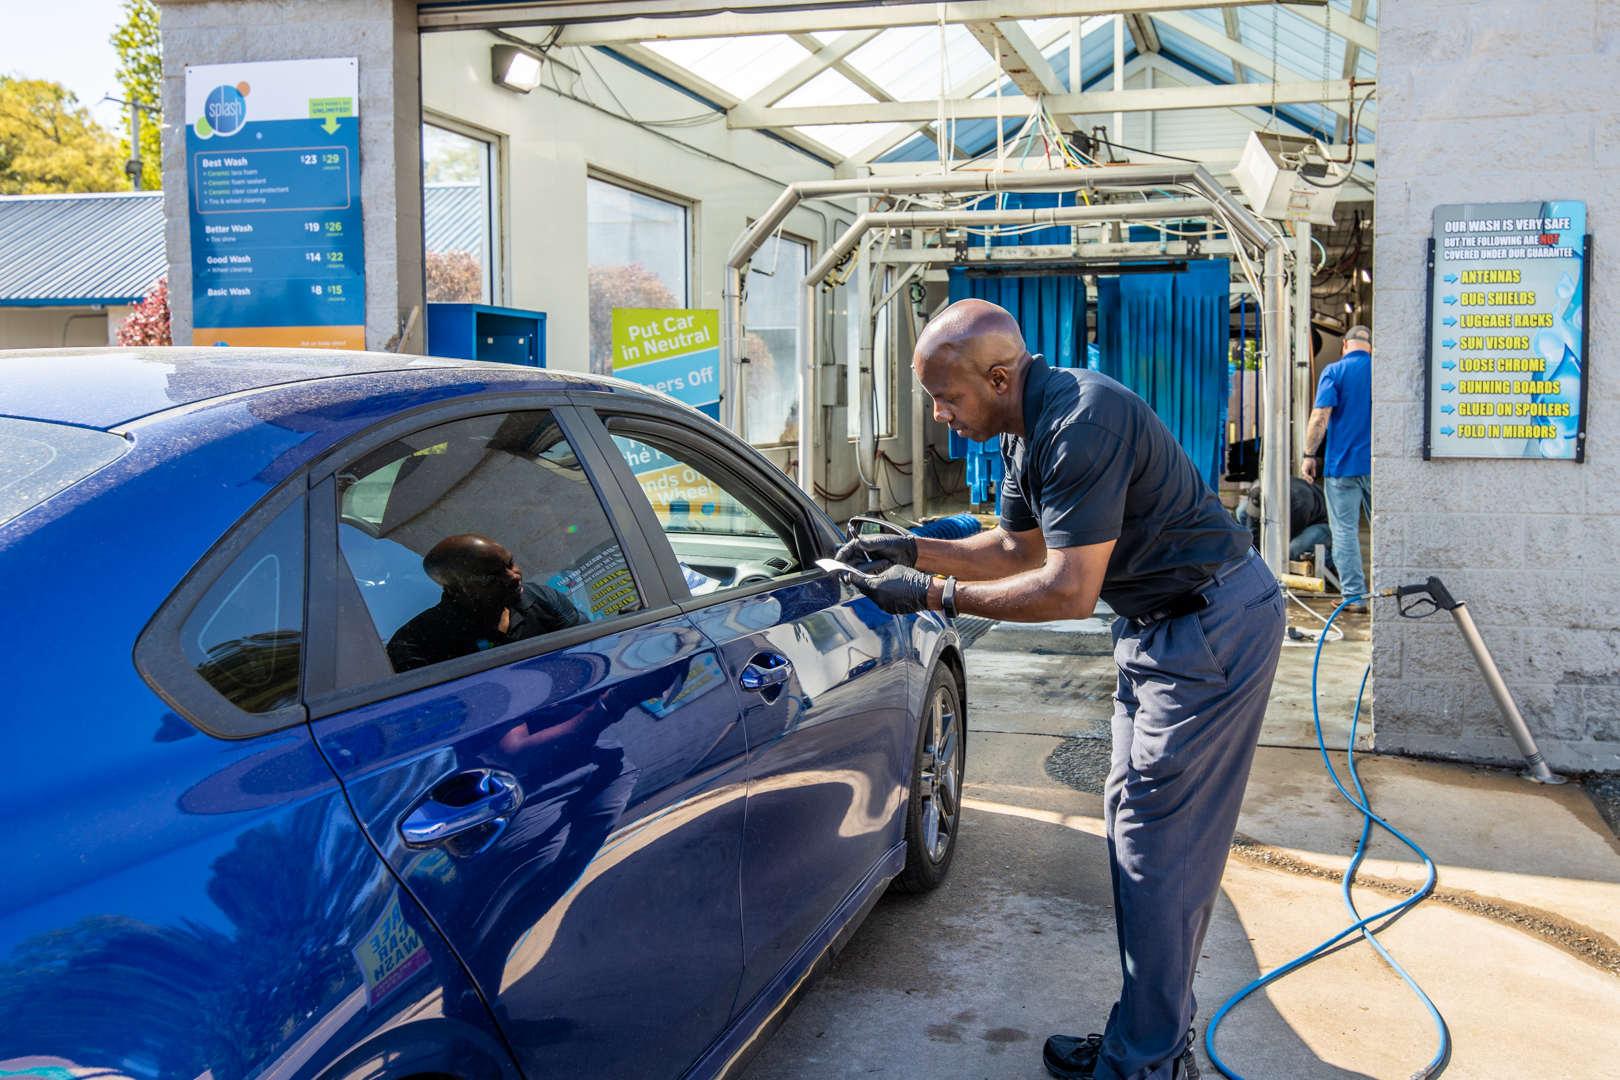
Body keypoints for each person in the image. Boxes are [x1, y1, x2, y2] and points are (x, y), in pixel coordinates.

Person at [837, 299, 1285, 1080]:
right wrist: (909, 549)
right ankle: (1147, 1041)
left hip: (1211, 625)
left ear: (998, 378)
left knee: (1158, 844)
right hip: (1159, 626)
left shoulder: (1083, 420)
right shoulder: (1025, 431)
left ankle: (1145, 1062)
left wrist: (933, 594)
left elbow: (1069, 590)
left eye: (947, 397)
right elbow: (1018, 550)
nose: (940, 417)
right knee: (1136, 826)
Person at [387, 533, 584, 672]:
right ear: (456, 589)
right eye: (490, 577)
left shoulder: (543, 599)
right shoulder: (416, 644)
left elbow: (585, 656)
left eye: (510, 564)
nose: (513, 577)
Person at [1301, 325, 1373, 613]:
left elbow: (1321, 415)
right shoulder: (1382, 370)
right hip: (1379, 466)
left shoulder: (1334, 371)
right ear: (1370, 348)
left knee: (1344, 532)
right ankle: (1389, 592)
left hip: (1341, 466)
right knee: (1386, 529)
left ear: (1344, 344)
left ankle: (1355, 597)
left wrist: (1309, 454)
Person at [1236, 476, 1333, 568]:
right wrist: (1256, 557)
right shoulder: (1258, 487)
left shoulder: (1299, 504)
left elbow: (1282, 544)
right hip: (1288, 511)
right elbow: (1253, 527)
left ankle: (1334, 560)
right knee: (1242, 511)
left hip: (1322, 521)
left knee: (1296, 549)